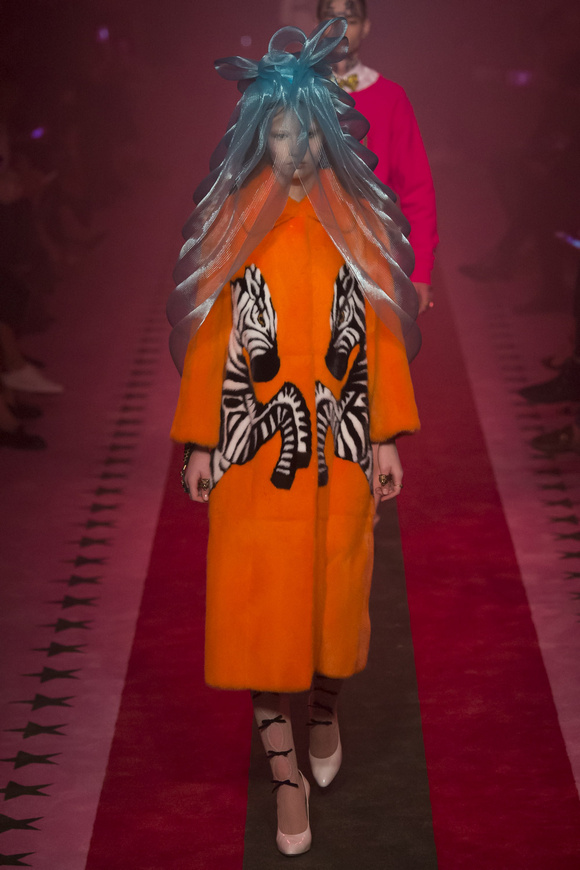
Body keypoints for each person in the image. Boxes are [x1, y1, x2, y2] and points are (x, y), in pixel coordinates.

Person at [168, 18, 420, 855]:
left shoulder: (356, 219)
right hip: (254, 453)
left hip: (339, 448)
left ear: (327, 134)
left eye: (307, 132)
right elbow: (211, 341)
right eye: (279, 133)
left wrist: (387, 434)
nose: (295, 148)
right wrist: (200, 441)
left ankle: (325, 709)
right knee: (258, 614)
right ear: (257, 137)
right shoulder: (232, 222)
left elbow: (380, 333)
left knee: (334, 606)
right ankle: (286, 784)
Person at [316, 0, 438, 314]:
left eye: (351, 19)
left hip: (373, 257)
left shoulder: (390, 98)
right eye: (331, 18)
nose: (341, 27)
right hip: (306, 249)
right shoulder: (294, 92)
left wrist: (421, 269)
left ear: (366, 27)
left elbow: (416, 187)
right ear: (317, 23)